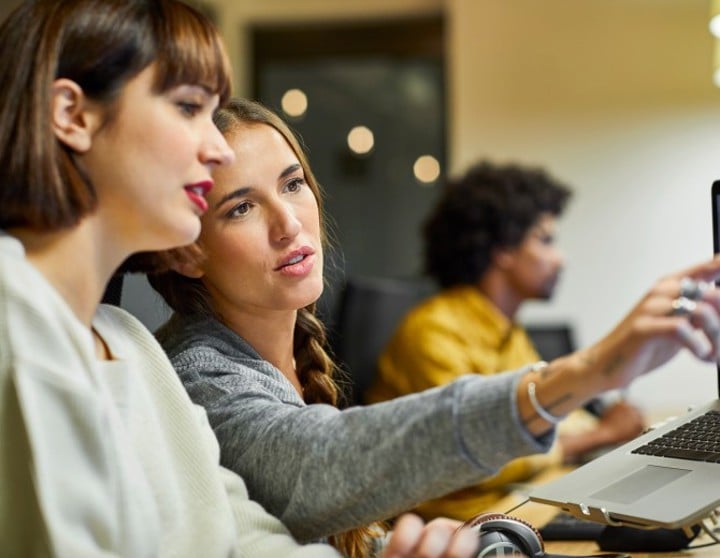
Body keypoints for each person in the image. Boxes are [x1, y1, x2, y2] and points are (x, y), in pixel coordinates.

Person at [0, 2, 481, 557]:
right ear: (73, 115)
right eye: (187, 108)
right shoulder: (18, 322)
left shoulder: (127, 342)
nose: (217, 147)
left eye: (294, 184)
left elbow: (238, 542)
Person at [147, 97, 720, 556]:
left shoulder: (282, 362)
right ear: (186, 252)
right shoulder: (197, 376)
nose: (288, 222)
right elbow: (318, 465)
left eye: (293, 184)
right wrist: (589, 372)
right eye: (240, 208)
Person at [365, 161, 646, 520]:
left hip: (511, 503)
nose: (559, 259)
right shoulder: (431, 332)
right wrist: (600, 434)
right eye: (545, 240)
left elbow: (553, 414)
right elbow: (477, 453)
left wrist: (615, 427)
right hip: (458, 524)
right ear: (503, 250)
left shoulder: (507, 332)